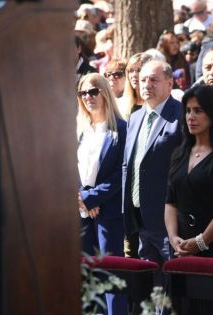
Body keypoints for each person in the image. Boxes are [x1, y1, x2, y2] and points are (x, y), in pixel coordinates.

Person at [164, 85, 213, 262]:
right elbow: (170, 201)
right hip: (181, 248)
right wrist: (172, 237)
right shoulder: (179, 154)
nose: (191, 117)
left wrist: (201, 242)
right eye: (188, 111)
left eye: (198, 111)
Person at [122, 60, 182, 285]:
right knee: (151, 287)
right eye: (143, 79)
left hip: (167, 218)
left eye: (154, 79)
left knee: (171, 284)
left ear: (169, 83)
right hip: (139, 218)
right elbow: (129, 164)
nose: (147, 84)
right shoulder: (136, 116)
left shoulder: (181, 115)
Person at [76, 73, 128, 315]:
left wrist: (91, 198)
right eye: (83, 93)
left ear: (105, 93)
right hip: (81, 214)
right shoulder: (80, 130)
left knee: (110, 275)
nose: (88, 97)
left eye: (93, 91)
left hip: (109, 214)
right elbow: (70, 167)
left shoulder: (122, 129)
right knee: (85, 276)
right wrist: (81, 197)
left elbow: (121, 173)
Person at [118, 52, 153, 120]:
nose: (134, 75)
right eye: (131, 71)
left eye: (139, 70)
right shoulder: (122, 103)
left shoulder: (156, 103)